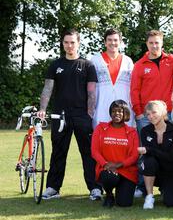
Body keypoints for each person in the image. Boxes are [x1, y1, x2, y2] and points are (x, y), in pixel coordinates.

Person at [37, 29, 102, 201]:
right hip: (60, 115)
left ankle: (95, 188)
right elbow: (47, 89)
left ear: (78, 43)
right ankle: (53, 188)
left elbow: (92, 93)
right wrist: (43, 108)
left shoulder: (87, 65)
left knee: (88, 152)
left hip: (82, 115)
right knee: (58, 151)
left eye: (72, 42)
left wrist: (89, 114)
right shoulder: (55, 65)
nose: (69, 45)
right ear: (63, 44)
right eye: (66, 42)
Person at [130, 30, 173, 197]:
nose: (154, 46)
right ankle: (142, 187)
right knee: (145, 151)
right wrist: (138, 112)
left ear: (162, 43)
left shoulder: (171, 60)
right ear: (147, 44)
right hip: (146, 116)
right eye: (151, 43)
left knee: (168, 151)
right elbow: (134, 90)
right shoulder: (139, 65)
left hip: (167, 114)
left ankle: (166, 184)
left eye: (157, 42)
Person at [91, 100, 139, 207]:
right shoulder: (101, 128)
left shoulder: (132, 132)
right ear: (110, 113)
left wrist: (119, 164)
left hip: (126, 171)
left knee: (124, 203)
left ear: (125, 113)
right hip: (107, 169)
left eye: (119, 111)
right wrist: (106, 164)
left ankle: (121, 192)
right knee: (109, 177)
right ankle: (109, 195)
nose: (116, 113)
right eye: (113, 111)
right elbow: (94, 151)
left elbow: (135, 155)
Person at [138, 100, 173, 209]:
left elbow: (171, 157)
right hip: (153, 170)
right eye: (148, 114)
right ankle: (149, 196)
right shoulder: (145, 131)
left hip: (170, 171)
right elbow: (148, 155)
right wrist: (149, 151)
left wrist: (149, 149)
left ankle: (166, 188)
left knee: (171, 203)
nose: (151, 116)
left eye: (154, 112)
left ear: (162, 112)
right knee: (148, 161)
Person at [90, 28, 135, 128]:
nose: (112, 43)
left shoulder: (127, 61)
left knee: (124, 139)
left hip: (124, 108)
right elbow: (90, 88)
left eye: (115, 40)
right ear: (105, 42)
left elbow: (133, 87)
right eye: (109, 40)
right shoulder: (95, 61)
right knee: (102, 139)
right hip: (101, 107)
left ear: (120, 42)